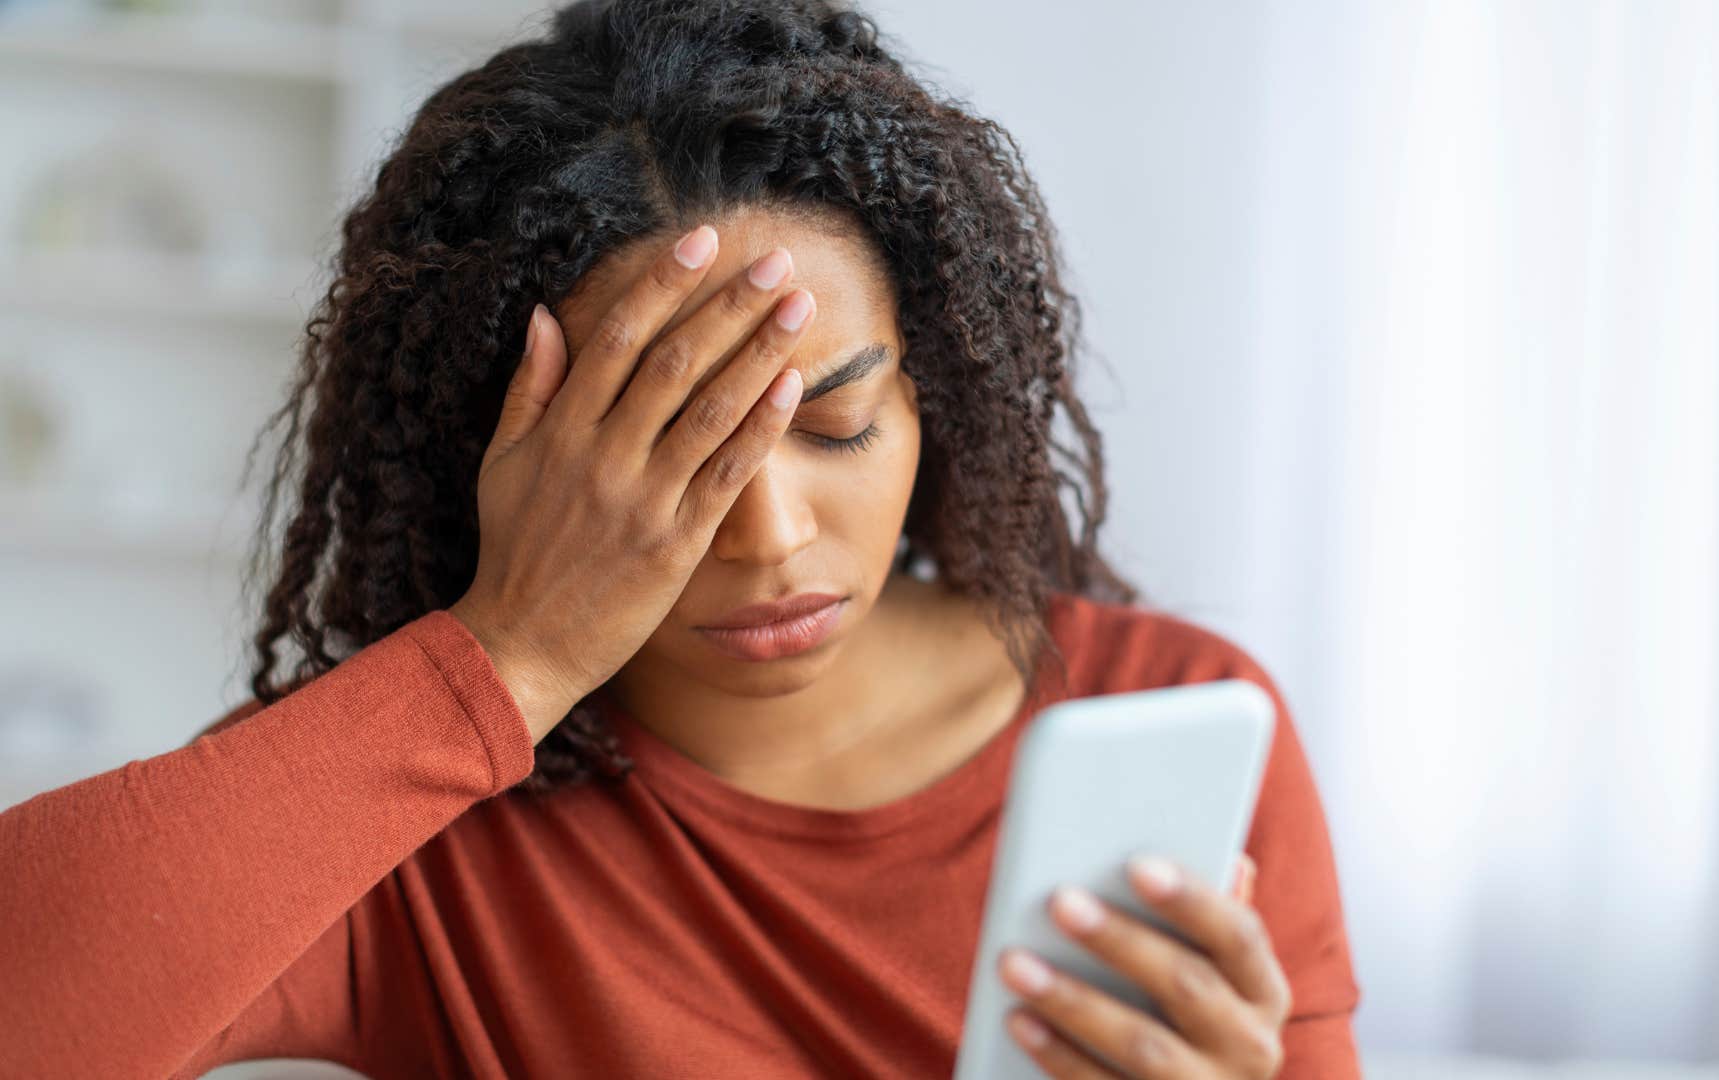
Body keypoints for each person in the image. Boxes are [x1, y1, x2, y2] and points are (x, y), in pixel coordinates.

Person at [0, 1, 1360, 1076]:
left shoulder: (1169, 713)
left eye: (835, 426)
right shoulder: (412, 813)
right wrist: (510, 657)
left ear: (932, 395)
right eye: (664, 460)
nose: (767, 534)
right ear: (508, 465)